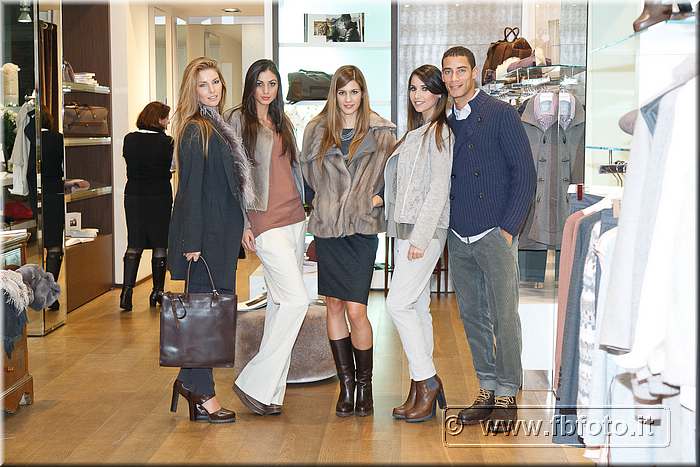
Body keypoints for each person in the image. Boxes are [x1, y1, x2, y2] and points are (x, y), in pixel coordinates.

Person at [441, 46, 536, 432]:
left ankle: (508, 392)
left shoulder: (501, 114)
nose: (453, 78)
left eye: (460, 70)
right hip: (457, 234)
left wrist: (509, 228)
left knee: (504, 315)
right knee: (472, 316)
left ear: (475, 72)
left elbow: (525, 174)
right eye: (447, 72)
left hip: (494, 232)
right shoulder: (445, 122)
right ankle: (487, 388)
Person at [301, 65, 396, 417]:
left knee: (357, 309)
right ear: (334, 95)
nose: (348, 99)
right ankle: (346, 387)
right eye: (342, 93)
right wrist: (325, 202)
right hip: (328, 230)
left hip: (361, 230)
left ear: (363, 93)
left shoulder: (383, 132)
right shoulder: (316, 130)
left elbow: (394, 178)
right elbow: (308, 178)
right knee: (334, 305)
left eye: (354, 92)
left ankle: (365, 386)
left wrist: (376, 200)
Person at [167, 56, 252, 424]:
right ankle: (202, 393)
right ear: (193, 90)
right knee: (205, 316)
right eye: (203, 84)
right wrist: (192, 242)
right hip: (205, 239)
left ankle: (190, 380)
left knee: (212, 314)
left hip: (220, 236)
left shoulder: (217, 125)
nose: (212, 89)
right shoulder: (195, 130)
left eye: (215, 82)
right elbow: (190, 190)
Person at [224, 59, 309, 416]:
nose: (266, 90)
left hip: (295, 218)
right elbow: (233, 176)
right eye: (260, 83)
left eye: (272, 83)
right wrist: (243, 223)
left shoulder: (282, 120)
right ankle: (253, 381)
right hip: (264, 220)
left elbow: (293, 169)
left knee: (279, 304)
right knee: (297, 301)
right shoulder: (236, 120)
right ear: (250, 85)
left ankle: (270, 394)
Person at [384, 64, 452, 422]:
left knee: (396, 304)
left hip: (423, 233)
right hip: (405, 230)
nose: (418, 95)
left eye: (425, 88)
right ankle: (418, 386)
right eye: (413, 88)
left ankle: (427, 380)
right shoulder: (416, 133)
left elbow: (439, 189)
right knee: (418, 307)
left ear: (439, 93)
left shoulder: (441, 132)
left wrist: (421, 238)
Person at [119, 101, 174, 311]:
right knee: (160, 244)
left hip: (134, 196)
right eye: (166, 118)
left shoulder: (129, 139)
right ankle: (157, 292)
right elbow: (172, 167)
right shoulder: (167, 142)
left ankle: (126, 292)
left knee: (134, 243)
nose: (168, 122)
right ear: (159, 119)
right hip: (159, 196)